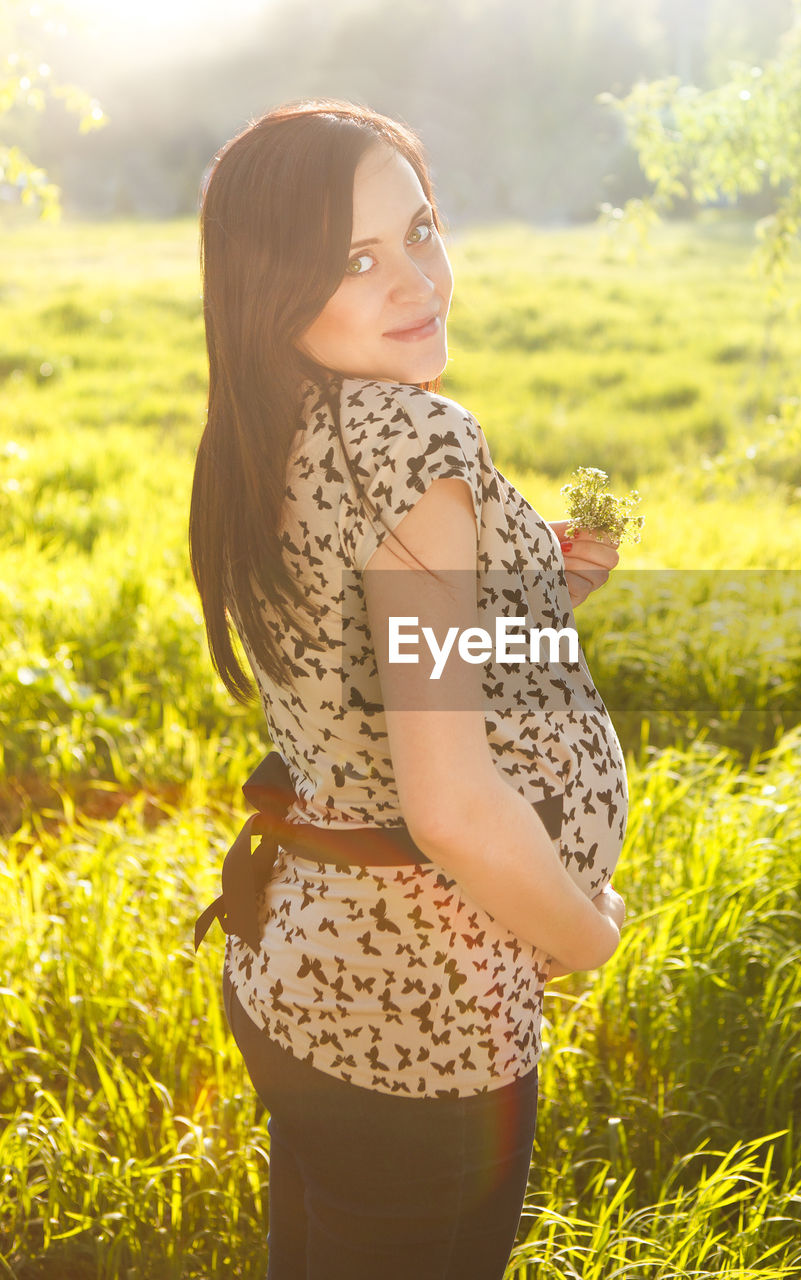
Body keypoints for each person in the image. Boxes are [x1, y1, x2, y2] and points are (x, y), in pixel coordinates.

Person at [189, 99, 629, 1280]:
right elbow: (448, 806)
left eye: (421, 229)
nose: (416, 278)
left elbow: (368, 670)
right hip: (415, 1022)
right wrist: (584, 934)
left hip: (301, 974)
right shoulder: (415, 447)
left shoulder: (271, 425)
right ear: (276, 286)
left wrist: (532, 592)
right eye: (356, 258)